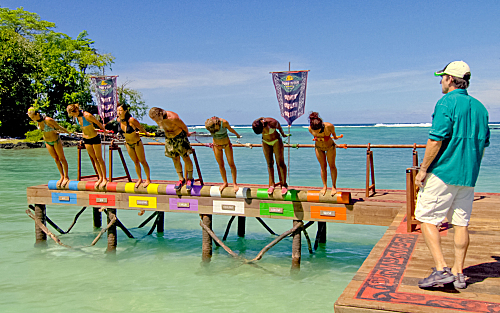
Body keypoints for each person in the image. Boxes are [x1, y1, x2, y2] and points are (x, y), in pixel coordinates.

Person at [415, 61, 490, 289]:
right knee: (460, 223)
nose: (440, 81)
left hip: (444, 171)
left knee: (426, 219)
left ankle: (440, 269)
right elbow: (484, 143)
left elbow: (435, 139)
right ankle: (458, 273)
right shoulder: (480, 108)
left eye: (442, 77)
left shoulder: (446, 102)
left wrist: (423, 169)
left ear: (449, 79)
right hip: (468, 176)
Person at [149, 107, 195, 191]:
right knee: (175, 159)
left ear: (159, 114)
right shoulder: (158, 119)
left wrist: (187, 134)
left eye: (154, 118)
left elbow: (184, 126)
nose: (154, 120)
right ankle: (181, 179)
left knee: (186, 158)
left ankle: (190, 178)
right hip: (169, 139)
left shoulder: (173, 117)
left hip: (179, 138)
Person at [66, 103, 109, 189]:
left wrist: (104, 130)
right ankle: (100, 177)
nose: (72, 116)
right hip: (86, 139)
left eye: (72, 114)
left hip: (94, 137)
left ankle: (104, 178)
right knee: (93, 159)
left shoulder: (87, 115)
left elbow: (98, 123)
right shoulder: (77, 117)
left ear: (76, 111)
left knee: (99, 158)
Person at [27, 107, 72, 188]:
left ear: (37, 114)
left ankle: (66, 177)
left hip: (56, 140)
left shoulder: (48, 120)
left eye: (33, 117)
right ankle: (61, 176)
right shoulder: (38, 122)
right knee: (56, 159)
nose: (32, 119)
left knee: (62, 158)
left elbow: (58, 127)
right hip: (47, 142)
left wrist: (67, 132)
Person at [117, 103, 152, 188]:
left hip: (137, 143)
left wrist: (146, 133)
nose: (118, 112)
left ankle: (148, 179)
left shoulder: (131, 120)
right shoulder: (118, 120)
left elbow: (140, 127)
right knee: (135, 162)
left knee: (142, 161)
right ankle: (139, 179)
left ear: (125, 111)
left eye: (120, 110)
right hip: (128, 144)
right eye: (117, 110)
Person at [252, 117, 290, 196]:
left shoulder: (272, 122)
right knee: (269, 163)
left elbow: (279, 127)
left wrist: (283, 134)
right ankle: (272, 184)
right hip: (266, 142)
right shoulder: (256, 125)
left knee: (280, 163)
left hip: (276, 140)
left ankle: (284, 184)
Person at [308, 112, 343, 196]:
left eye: (318, 130)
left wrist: (335, 138)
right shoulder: (310, 129)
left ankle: (334, 187)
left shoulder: (329, 126)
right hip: (319, 148)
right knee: (323, 166)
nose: (316, 132)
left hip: (330, 147)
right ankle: (324, 186)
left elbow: (334, 136)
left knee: (332, 166)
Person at [205, 116, 241, 192]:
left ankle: (234, 183)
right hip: (216, 146)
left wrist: (237, 135)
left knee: (231, 164)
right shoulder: (209, 126)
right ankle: (225, 182)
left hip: (226, 145)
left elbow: (230, 129)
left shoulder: (224, 123)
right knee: (221, 164)